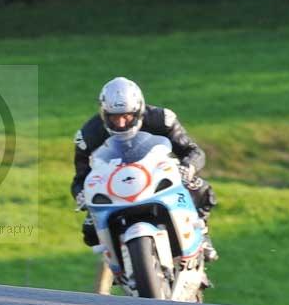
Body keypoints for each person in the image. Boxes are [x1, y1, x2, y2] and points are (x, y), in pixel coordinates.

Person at [70, 77, 218, 262]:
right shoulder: (88, 135)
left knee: (201, 189)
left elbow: (192, 151)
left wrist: (188, 167)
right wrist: (81, 195)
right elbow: (79, 178)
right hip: (115, 184)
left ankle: (202, 233)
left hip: (156, 174)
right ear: (104, 113)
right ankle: (117, 262)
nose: (121, 123)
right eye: (114, 117)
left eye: (126, 116)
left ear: (138, 110)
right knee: (90, 232)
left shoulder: (162, 119)